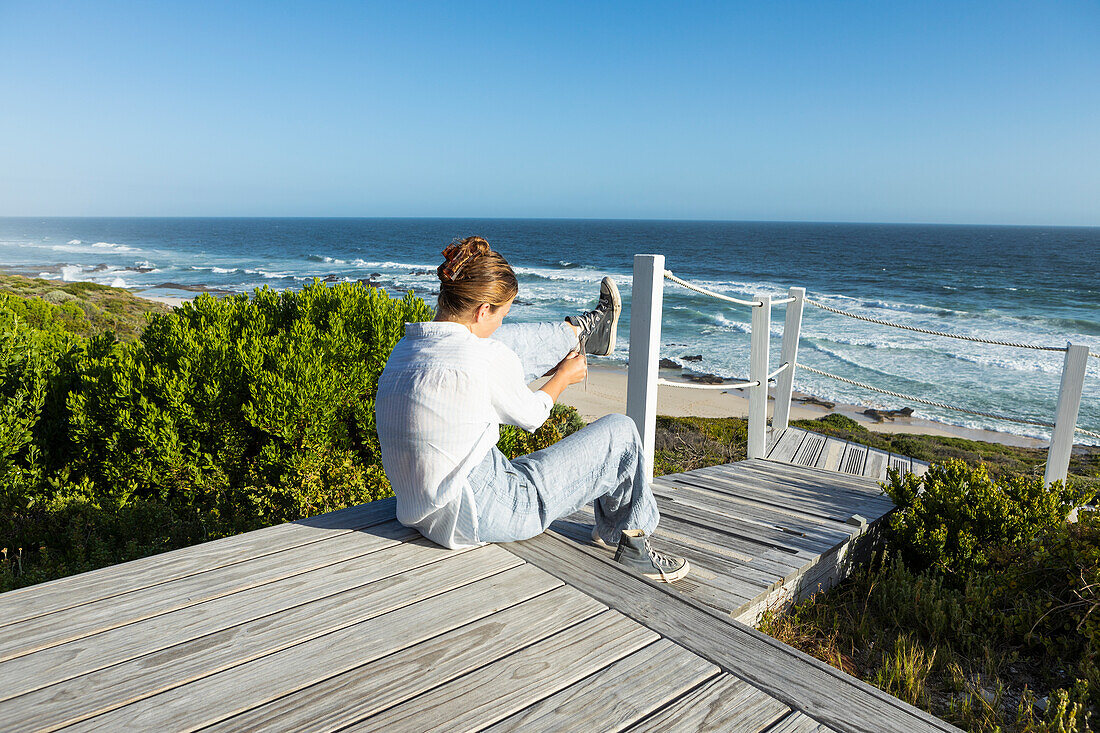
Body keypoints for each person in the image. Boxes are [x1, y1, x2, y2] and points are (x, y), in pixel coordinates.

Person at [375, 236, 689, 582]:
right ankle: (635, 546)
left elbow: (488, 356)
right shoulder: (483, 359)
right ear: (483, 310)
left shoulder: (403, 350)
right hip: (483, 512)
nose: (500, 324)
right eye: (502, 314)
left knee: (501, 346)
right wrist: (564, 378)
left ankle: (583, 331)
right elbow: (532, 417)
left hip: (422, 510)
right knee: (622, 432)